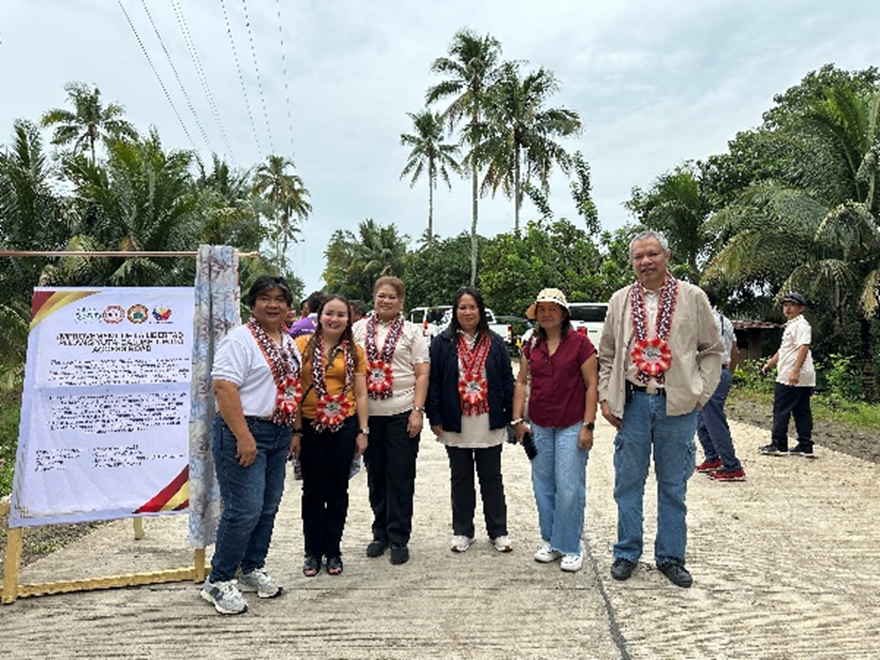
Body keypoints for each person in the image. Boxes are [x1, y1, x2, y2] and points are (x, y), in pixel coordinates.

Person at [598, 231, 722, 588]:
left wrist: (699, 395)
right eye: (638, 256)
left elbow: (712, 350)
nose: (646, 261)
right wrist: (607, 397)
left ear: (667, 257)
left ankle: (670, 556)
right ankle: (626, 552)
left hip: (677, 405)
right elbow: (606, 354)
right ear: (632, 262)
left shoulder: (693, 297)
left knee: (673, 485)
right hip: (634, 402)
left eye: (652, 254)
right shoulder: (620, 300)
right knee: (628, 482)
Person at [201, 275, 302, 615]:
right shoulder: (240, 340)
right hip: (245, 432)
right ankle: (218, 579)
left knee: (268, 506)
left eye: (280, 299)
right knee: (243, 509)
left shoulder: (287, 342)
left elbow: (290, 390)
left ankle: (252, 566)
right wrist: (244, 437)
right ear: (253, 303)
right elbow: (224, 388)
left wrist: (294, 432)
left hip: (278, 432)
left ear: (289, 306)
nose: (273, 305)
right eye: (265, 298)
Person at [512, 288, 598, 573]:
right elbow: (522, 383)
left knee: (570, 487)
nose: (547, 313)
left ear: (563, 313)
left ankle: (571, 545)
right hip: (539, 425)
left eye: (553, 308)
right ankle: (552, 541)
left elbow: (591, 385)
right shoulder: (530, 346)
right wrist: (517, 420)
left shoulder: (581, 344)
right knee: (542, 486)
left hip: (572, 424)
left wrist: (588, 425)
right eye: (542, 309)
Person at [427, 287, 515, 554]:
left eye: (472, 307)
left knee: (491, 477)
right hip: (456, 420)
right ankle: (463, 531)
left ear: (481, 311)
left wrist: (512, 416)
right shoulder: (442, 343)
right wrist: (435, 416)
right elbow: (435, 383)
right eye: (462, 307)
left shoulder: (496, 342)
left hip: (489, 419)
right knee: (461, 477)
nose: (467, 312)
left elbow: (506, 381)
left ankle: (498, 531)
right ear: (455, 311)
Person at [352, 277, 429, 565]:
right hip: (368, 413)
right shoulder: (358, 329)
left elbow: (422, 373)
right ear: (374, 297)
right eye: (381, 296)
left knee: (400, 475)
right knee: (376, 475)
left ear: (401, 301)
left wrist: (417, 411)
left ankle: (399, 536)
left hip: (401, 411)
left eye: (392, 297)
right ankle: (380, 533)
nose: (386, 301)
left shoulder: (412, 332)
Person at [291, 295, 369, 577]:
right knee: (312, 490)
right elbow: (295, 391)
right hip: (311, 425)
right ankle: (312, 552)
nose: (334, 319)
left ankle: (333, 551)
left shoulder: (355, 352)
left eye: (341, 315)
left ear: (349, 319)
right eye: (329, 314)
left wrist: (363, 430)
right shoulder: (301, 346)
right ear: (318, 316)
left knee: (337, 490)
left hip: (343, 426)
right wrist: (296, 431)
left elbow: (361, 394)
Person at [696, 285, 746, 482]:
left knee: (714, 421)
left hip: (711, 374)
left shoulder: (706, 321)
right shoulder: (725, 321)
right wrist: (729, 374)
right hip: (722, 371)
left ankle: (732, 466)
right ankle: (713, 457)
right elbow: (735, 351)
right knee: (703, 419)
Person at [759, 291, 816, 457]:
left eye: (792, 305)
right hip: (799, 375)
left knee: (781, 409)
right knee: (801, 410)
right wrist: (769, 364)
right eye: (785, 305)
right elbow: (784, 350)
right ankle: (805, 445)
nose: (788, 308)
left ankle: (779, 444)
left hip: (792, 375)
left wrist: (795, 371)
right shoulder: (791, 325)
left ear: (801, 308)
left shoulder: (801, 325)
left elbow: (804, 347)